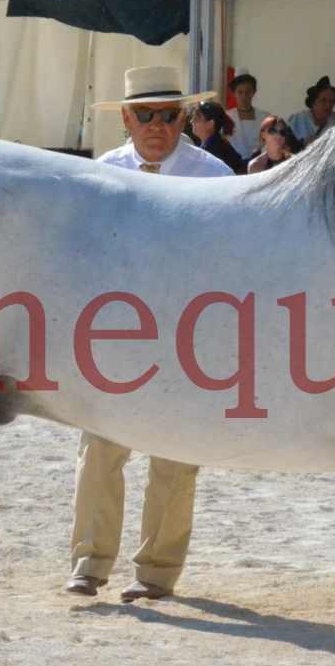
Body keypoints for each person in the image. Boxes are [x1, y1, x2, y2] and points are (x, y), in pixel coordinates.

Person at [67, 67, 231, 602]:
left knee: (176, 456)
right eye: (146, 114)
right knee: (99, 449)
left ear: (184, 117)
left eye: (168, 114)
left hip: (189, 333)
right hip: (116, 334)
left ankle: (156, 573)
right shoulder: (101, 174)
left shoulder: (214, 177)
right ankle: (89, 564)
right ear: (126, 118)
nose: (157, 125)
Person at [190, 100, 245, 172]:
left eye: (196, 119)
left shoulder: (213, 150)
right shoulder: (218, 143)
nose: (191, 121)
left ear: (210, 124)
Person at [287, 75, 335, 146]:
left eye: (331, 101)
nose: (328, 105)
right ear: (313, 102)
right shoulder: (298, 120)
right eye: (323, 100)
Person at [225, 72, 269, 159]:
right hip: (234, 164)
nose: (244, 96)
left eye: (248, 92)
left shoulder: (265, 117)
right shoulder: (226, 117)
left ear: (253, 92)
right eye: (240, 92)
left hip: (260, 163)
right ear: (234, 93)